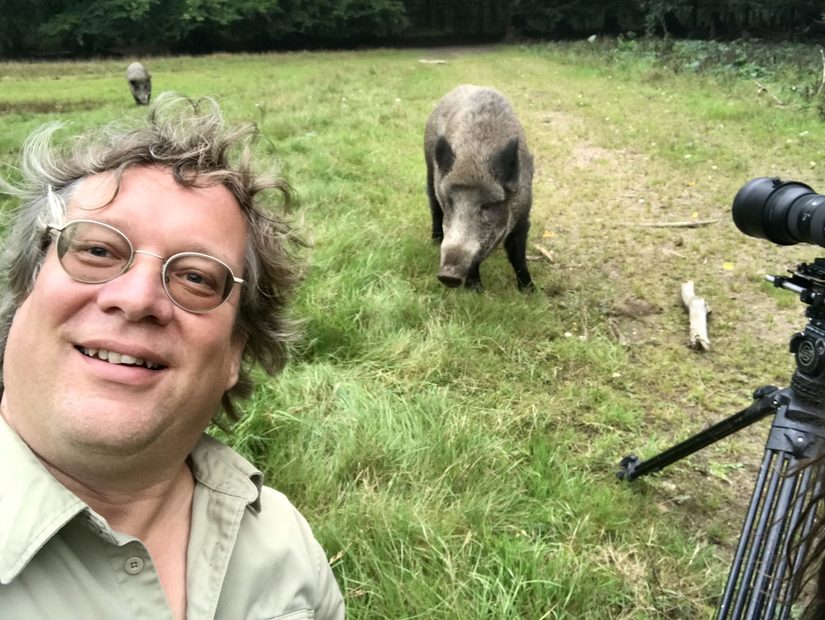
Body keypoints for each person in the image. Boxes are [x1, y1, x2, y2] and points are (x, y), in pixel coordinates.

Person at [0, 93, 345, 619]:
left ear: (235, 353)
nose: (137, 299)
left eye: (195, 278)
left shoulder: (285, 542)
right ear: (25, 290)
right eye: (96, 250)